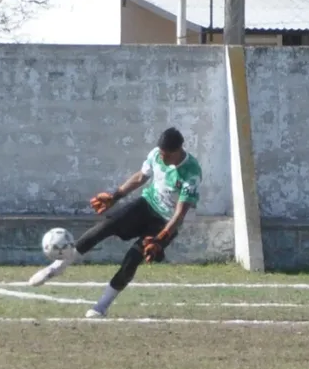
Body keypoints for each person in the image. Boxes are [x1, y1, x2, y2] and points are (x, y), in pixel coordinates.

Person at [28, 127, 202, 318]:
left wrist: (160, 239)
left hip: (165, 222)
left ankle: (101, 307)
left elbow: (180, 213)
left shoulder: (191, 172)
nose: (162, 158)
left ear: (178, 151)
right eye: (160, 153)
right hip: (145, 205)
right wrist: (115, 196)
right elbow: (140, 177)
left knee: (132, 259)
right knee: (105, 226)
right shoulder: (156, 155)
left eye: (166, 154)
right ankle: (57, 267)